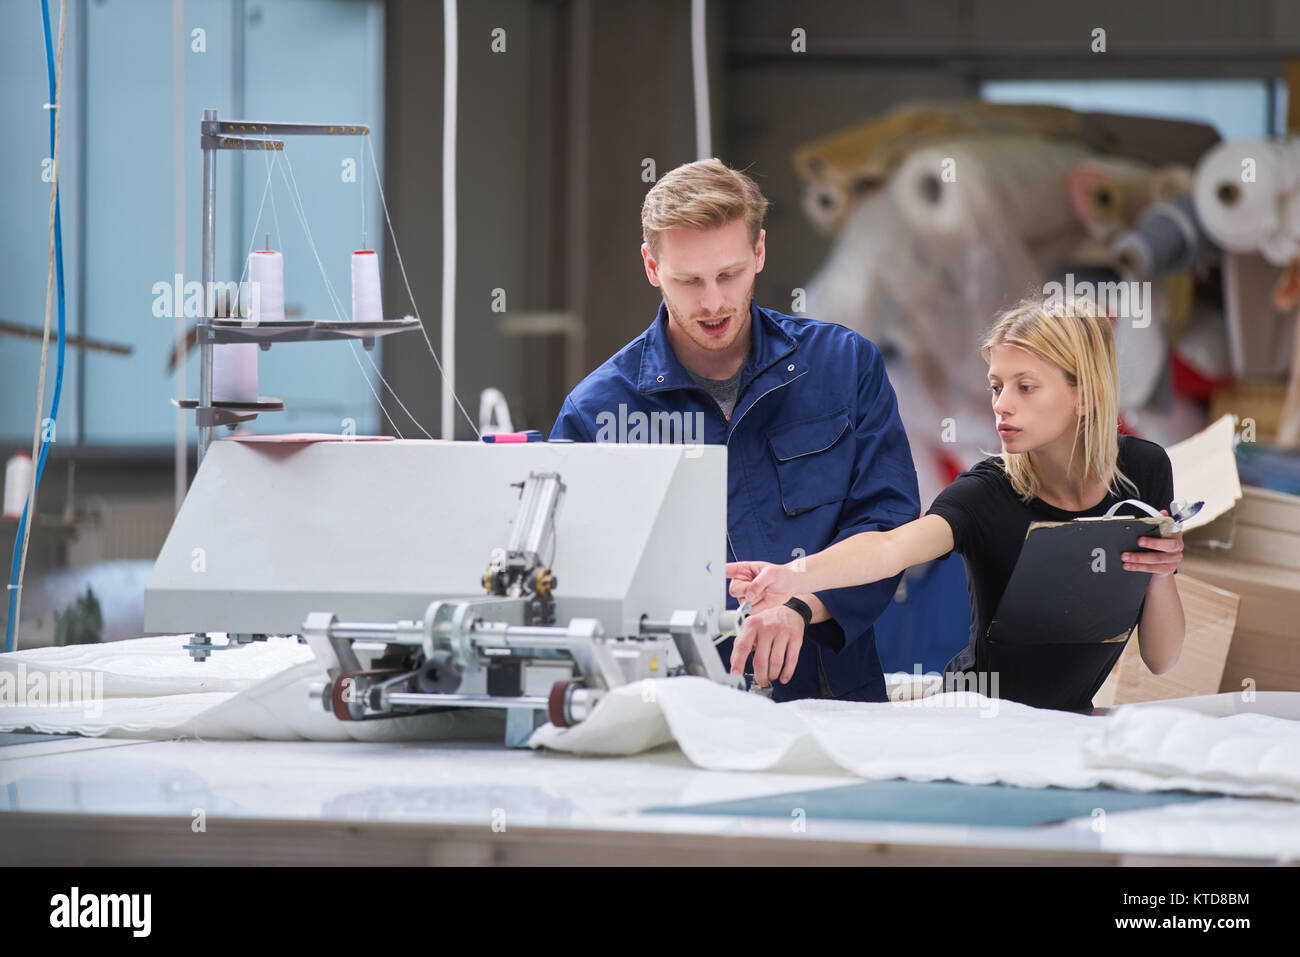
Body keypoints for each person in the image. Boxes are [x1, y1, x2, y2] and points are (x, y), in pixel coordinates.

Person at [549, 159, 920, 703]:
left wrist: (799, 605)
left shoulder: (845, 367)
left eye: (729, 274)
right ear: (652, 266)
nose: (714, 302)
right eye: (689, 280)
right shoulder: (597, 411)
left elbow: (887, 525)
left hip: (830, 696)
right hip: (666, 706)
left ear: (760, 253)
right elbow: (572, 573)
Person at [727, 297, 1186, 712]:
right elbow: (890, 550)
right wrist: (792, 576)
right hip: (975, 723)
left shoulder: (1143, 472)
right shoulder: (988, 492)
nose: (1001, 405)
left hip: (1069, 724)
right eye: (995, 386)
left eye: (1025, 387)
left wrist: (1162, 575)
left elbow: (1161, 660)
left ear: (1084, 395)